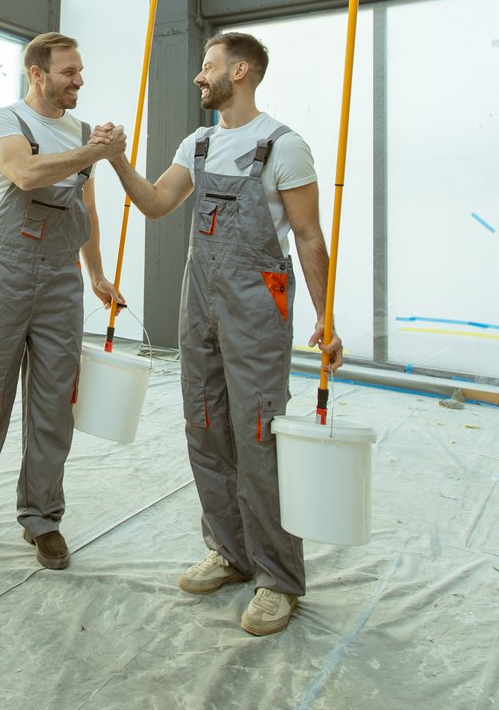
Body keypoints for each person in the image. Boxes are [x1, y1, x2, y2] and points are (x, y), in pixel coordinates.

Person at [103, 32, 343, 635]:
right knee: (204, 424)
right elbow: (157, 203)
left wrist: (326, 318)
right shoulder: (199, 141)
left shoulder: (284, 147)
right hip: (201, 302)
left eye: (207, 67)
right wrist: (115, 161)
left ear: (240, 71)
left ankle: (277, 579)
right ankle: (230, 553)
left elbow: (310, 239)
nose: (198, 77)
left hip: (257, 306)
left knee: (257, 434)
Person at [0, 32, 124, 571]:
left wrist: (98, 275)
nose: (78, 80)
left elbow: (89, 212)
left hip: (61, 276)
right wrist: (93, 153)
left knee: (54, 404)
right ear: (37, 74)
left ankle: (43, 518)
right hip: (6, 270)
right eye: (68, 72)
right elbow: (25, 173)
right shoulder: (5, 121)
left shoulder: (83, 132)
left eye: (80, 71)